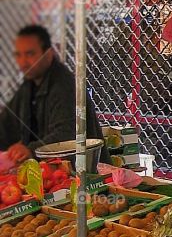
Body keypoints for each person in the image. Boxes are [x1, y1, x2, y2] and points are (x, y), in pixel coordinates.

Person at [0, 25, 102, 164]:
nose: (23, 62)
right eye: (18, 55)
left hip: (85, 174)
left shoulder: (64, 85)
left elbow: (66, 136)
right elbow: (6, 125)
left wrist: (30, 150)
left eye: (30, 54)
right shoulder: (29, 85)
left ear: (48, 53)